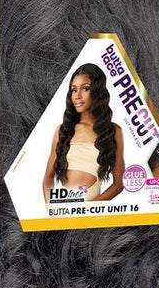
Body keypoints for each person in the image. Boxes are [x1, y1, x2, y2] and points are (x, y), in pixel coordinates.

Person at [42, 63, 124, 203]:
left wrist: (90, 208)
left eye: (85, 88)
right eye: (74, 90)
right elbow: (48, 177)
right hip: (61, 208)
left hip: (91, 209)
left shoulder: (113, 131)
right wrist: (51, 208)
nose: (77, 96)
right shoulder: (63, 131)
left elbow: (119, 184)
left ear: (98, 91)